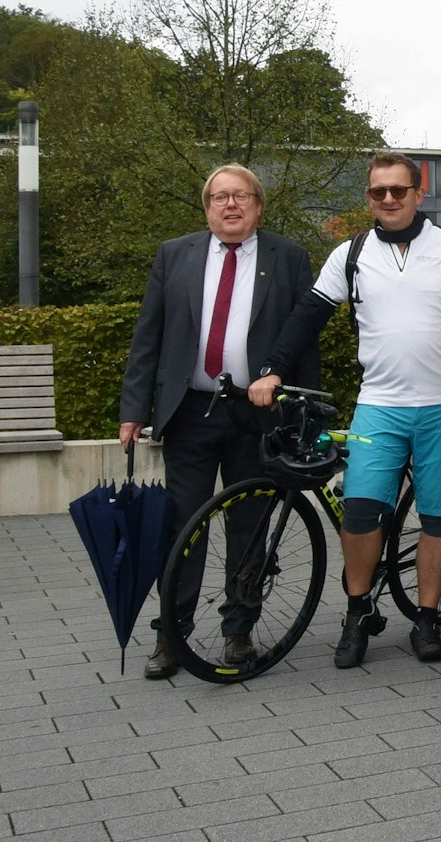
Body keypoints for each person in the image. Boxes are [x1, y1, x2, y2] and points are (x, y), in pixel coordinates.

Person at [247, 152, 441, 668]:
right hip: (379, 405)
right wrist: (272, 369)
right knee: (361, 512)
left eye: (398, 190)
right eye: (378, 192)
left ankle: (427, 618)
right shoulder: (351, 254)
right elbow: (308, 315)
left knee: (439, 518)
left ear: (419, 193)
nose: (388, 199)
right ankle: (358, 610)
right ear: (368, 197)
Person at [120, 164, 317, 679]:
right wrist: (133, 410)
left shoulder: (289, 258)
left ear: (258, 206)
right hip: (190, 412)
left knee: (249, 526)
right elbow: (148, 335)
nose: (231, 205)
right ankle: (172, 632)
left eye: (241, 196)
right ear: (207, 207)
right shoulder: (174, 254)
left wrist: (301, 416)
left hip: (258, 416)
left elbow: (304, 342)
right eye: (220, 197)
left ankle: (239, 630)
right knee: (182, 524)